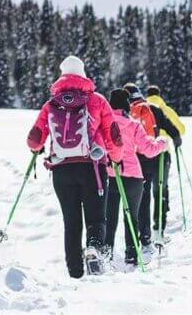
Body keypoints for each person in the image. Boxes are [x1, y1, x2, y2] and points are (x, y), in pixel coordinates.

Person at [27, 55, 123, 278]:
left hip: (61, 170)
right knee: (97, 218)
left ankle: (75, 273)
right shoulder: (97, 100)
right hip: (92, 167)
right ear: (82, 73)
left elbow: (34, 138)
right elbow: (114, 135)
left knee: (71, 222)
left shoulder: (52, 104)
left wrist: (36, 149)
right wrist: (116, 158)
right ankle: (94, 249)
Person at [103, 88, 167, 267]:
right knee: (131, 218)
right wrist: (162, 143)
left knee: (109, 217)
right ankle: (131, 256)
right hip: (132, 177)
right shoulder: (133, 125)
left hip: (110, 175)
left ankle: (106, 254)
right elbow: (148, 150)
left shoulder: (104, 123)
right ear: (126, 105)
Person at [123, 83, 182, 249]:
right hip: (158, 156)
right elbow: (173, 129)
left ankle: (145, 235)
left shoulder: (126, 112)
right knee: (160, 192)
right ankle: (159, 230)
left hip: (139, 160)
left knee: (143, 196)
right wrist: (176, 140)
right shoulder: (154, 108)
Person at [145, 84, 186, 244]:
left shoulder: (141, 108)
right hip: (162, 153)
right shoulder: (164, 109)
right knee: (161, 187)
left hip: (144, 153)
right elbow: (180, 129)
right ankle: (160, 222)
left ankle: (145, 230)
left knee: (145, 191)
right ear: (159, 94)